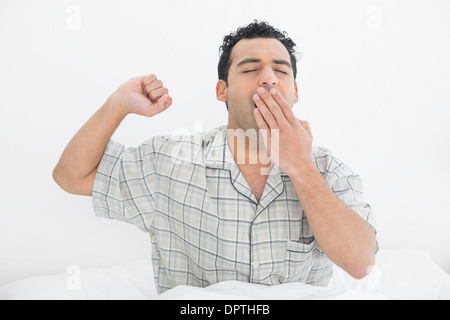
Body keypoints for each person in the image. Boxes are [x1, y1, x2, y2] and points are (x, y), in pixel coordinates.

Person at [53, 20, 378, 294]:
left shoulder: (329, 170)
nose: (268, 78)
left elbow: (361, 262)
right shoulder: (170, 161)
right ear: (222, 90)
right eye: (251, 69)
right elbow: (71, 176)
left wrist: (299, 166)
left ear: (295, 92)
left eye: (281, 71)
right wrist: (117, 104)